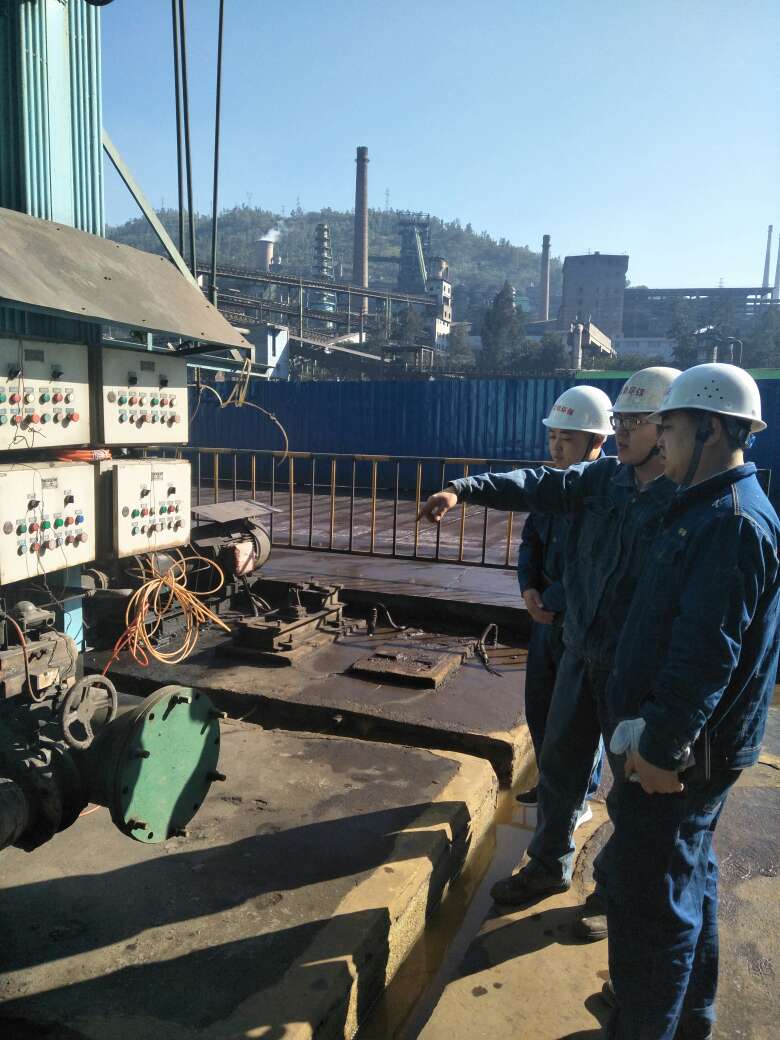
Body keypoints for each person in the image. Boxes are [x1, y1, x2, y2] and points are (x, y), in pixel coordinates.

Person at [418, 367, 681, 919]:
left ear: (669, 430)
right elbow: (533, 484)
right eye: (621, 420)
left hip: (634, 672)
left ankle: (611, 893)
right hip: (581, 652)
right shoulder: (603, 480)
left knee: (634, 790)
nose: (622, 430)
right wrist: (461, 490)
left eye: (636, 422)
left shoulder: (688, 504)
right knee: (560, 768)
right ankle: (547, 865)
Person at [596, 364, 780, 1040]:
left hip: (684, 752)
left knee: (650, 905)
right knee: (687, 877)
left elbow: (706, 655)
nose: (659, 438)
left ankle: (644, 1023)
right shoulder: (706, 507)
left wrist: (661, 749)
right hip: (689, 744)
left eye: (669, 427)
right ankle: (687, 1016)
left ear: (711, 429)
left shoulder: (729, 522)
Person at [516, 387, 611, 813]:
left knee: (578, 717)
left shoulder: (606, 494)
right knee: (540, 706)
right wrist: (528, 589)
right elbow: (531, 543)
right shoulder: (550, 487)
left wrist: (550, 599)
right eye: (553, 436)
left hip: (580, 622)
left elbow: (592, 563)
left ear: (597, 441)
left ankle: (581, 797)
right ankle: (550, 783)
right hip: (544, 619)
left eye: (567, 438)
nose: (556, 446)